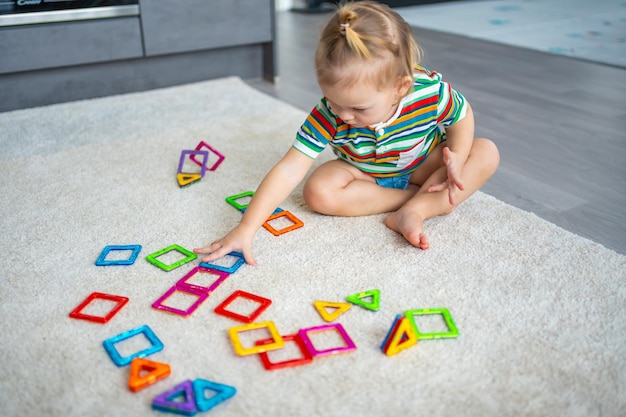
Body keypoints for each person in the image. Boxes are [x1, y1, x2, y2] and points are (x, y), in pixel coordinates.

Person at [195, 0, 499, 266]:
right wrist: (246, 227)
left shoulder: (429, 92)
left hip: (423, 165)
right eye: (333, 101)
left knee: (485, 151)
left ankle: (416, 210)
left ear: (400, 87)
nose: (343, 115)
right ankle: (407, 200)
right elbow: (289, 169)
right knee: (318, 191)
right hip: (362, 172)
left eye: (358, 108)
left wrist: (457, 156)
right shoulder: (329, 113)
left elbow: (462, 115)